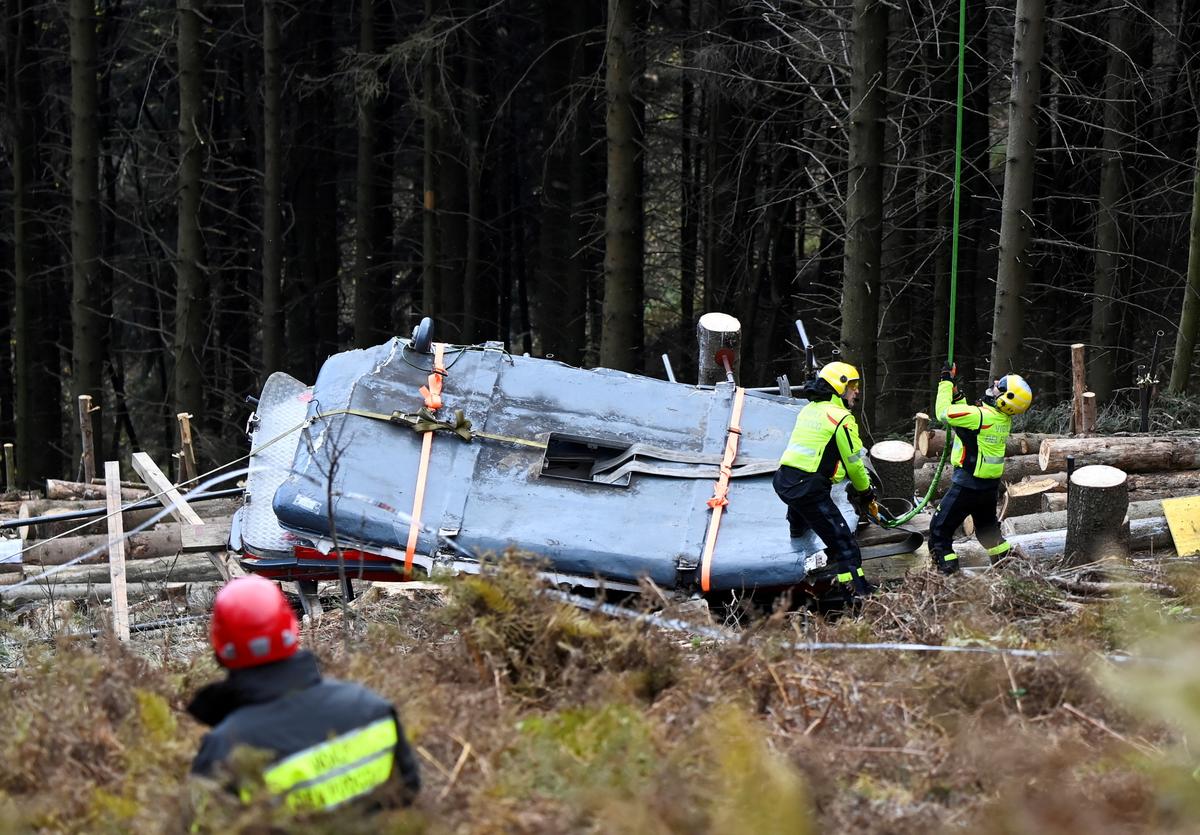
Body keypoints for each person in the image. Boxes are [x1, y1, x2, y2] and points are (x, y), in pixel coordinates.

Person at [188, 575, 420, 810]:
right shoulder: (371, 707)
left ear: (219, 648)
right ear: (293, 629)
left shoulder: (224, 748)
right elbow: (407, 796)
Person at [774, 361, 876, 599]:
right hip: (808, 489)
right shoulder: (841, 418)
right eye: (853, 386)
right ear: (839, 387)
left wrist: (836, 475)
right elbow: (853, 462)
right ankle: (857, 596)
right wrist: (866, 492)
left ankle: (797, 527)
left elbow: (818, 451)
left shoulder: (809, 409)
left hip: (784, 481)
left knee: (801, 509)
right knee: (845, 546)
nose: (857, 391)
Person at [927, 364, 1033, 574]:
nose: (995, 383)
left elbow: (942, 413)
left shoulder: (980, 417)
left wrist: (946, 382)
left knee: (939, 531)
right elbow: (966, 425)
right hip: (987, 488)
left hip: (967, 486)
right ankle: (1009, 571)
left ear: (1006, 398)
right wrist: (957, 396)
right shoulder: (999, 418)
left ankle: (948, 577)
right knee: (988, 534)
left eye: (1000, 386)